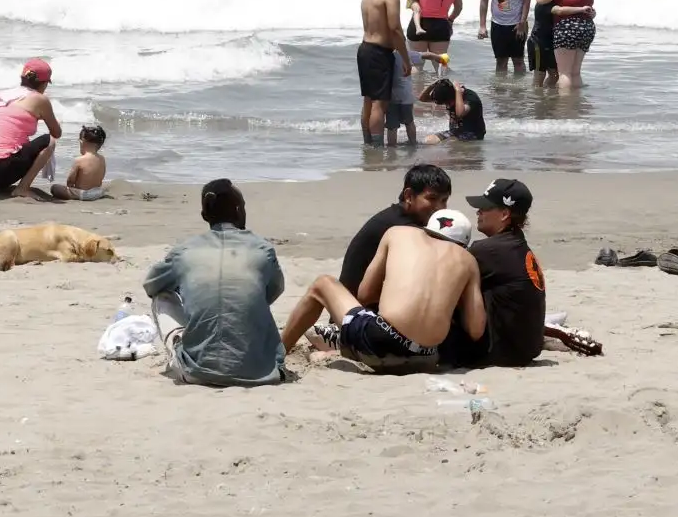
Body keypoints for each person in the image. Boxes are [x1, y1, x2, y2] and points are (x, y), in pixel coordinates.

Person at [279, 212, 485, 372]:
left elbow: (365, 293)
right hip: (426, 358)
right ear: (463, 244)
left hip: (379, 343)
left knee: (322, 284)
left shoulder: (397, 232)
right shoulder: (468, 261)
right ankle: (332, 350)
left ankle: (277, 354)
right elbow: (476, 330)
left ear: (427, 228)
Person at [142, 178, 287, 387]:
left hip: (197, 371)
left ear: (204, 216)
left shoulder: (184, 251)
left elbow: (151, 285)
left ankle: (183, 342)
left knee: (162, 295)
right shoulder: (263, 249)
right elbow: (273, 292)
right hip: (264, 373)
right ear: (239, 211)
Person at [442, 178, 547, 369]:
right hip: (526, 348)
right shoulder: (517, 243)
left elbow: (442, 282)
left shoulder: (488, 250)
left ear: (504, 214)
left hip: (501, 354)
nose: (478, 211)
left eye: (485, 207)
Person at [338, 164, 454, 295]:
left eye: (444, 200)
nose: (439, 207)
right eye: (431, 198)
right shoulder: (402, 228)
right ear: (409, 196)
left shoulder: (400, 218)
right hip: (356, 309)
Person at [0, 58, 62, 198]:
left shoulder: (3, 95)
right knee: (49, 141)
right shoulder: (40, 99)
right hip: (0, 170)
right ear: (44, 83)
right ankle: (22, 188)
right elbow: (56, 133)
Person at [359, 0, 413, 146]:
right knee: (379, 103)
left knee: (368, 100)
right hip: (379, 53)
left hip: (365, 49)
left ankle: (368, 142)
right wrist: (406, 59)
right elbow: (395, 29)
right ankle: (376, 148)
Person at [550, 0, 598, 87]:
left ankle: (566, 105)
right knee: (575, 72)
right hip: (587, 27)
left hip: (567, 27)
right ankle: (576, 101)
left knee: (564, 73)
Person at [50, 124, 108, 201]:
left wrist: (70, 188)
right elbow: (101, 177)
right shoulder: (102, 159)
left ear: (81, 142)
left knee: (55, 188)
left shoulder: (79, 160)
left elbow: (70, 180)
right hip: (98, 192)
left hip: (84, 194)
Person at [528, 0, 565, 87]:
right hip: (538, 43)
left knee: (554, 75)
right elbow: (558, 10)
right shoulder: (546, 2)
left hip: (549, 43)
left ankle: (547, 100)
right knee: (539, 75)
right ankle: (536, 101)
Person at [422, 77, 487, 142]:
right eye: (445, 103)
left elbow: (460, 113)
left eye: (448, 103)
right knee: (429, 140)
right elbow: (423, 99)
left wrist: (458, 91)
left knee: (450, 142)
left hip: (474, 133)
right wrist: (433, 85)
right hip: (455, 132)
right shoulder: (447, 95)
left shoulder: (470, 97)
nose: (447, 105)